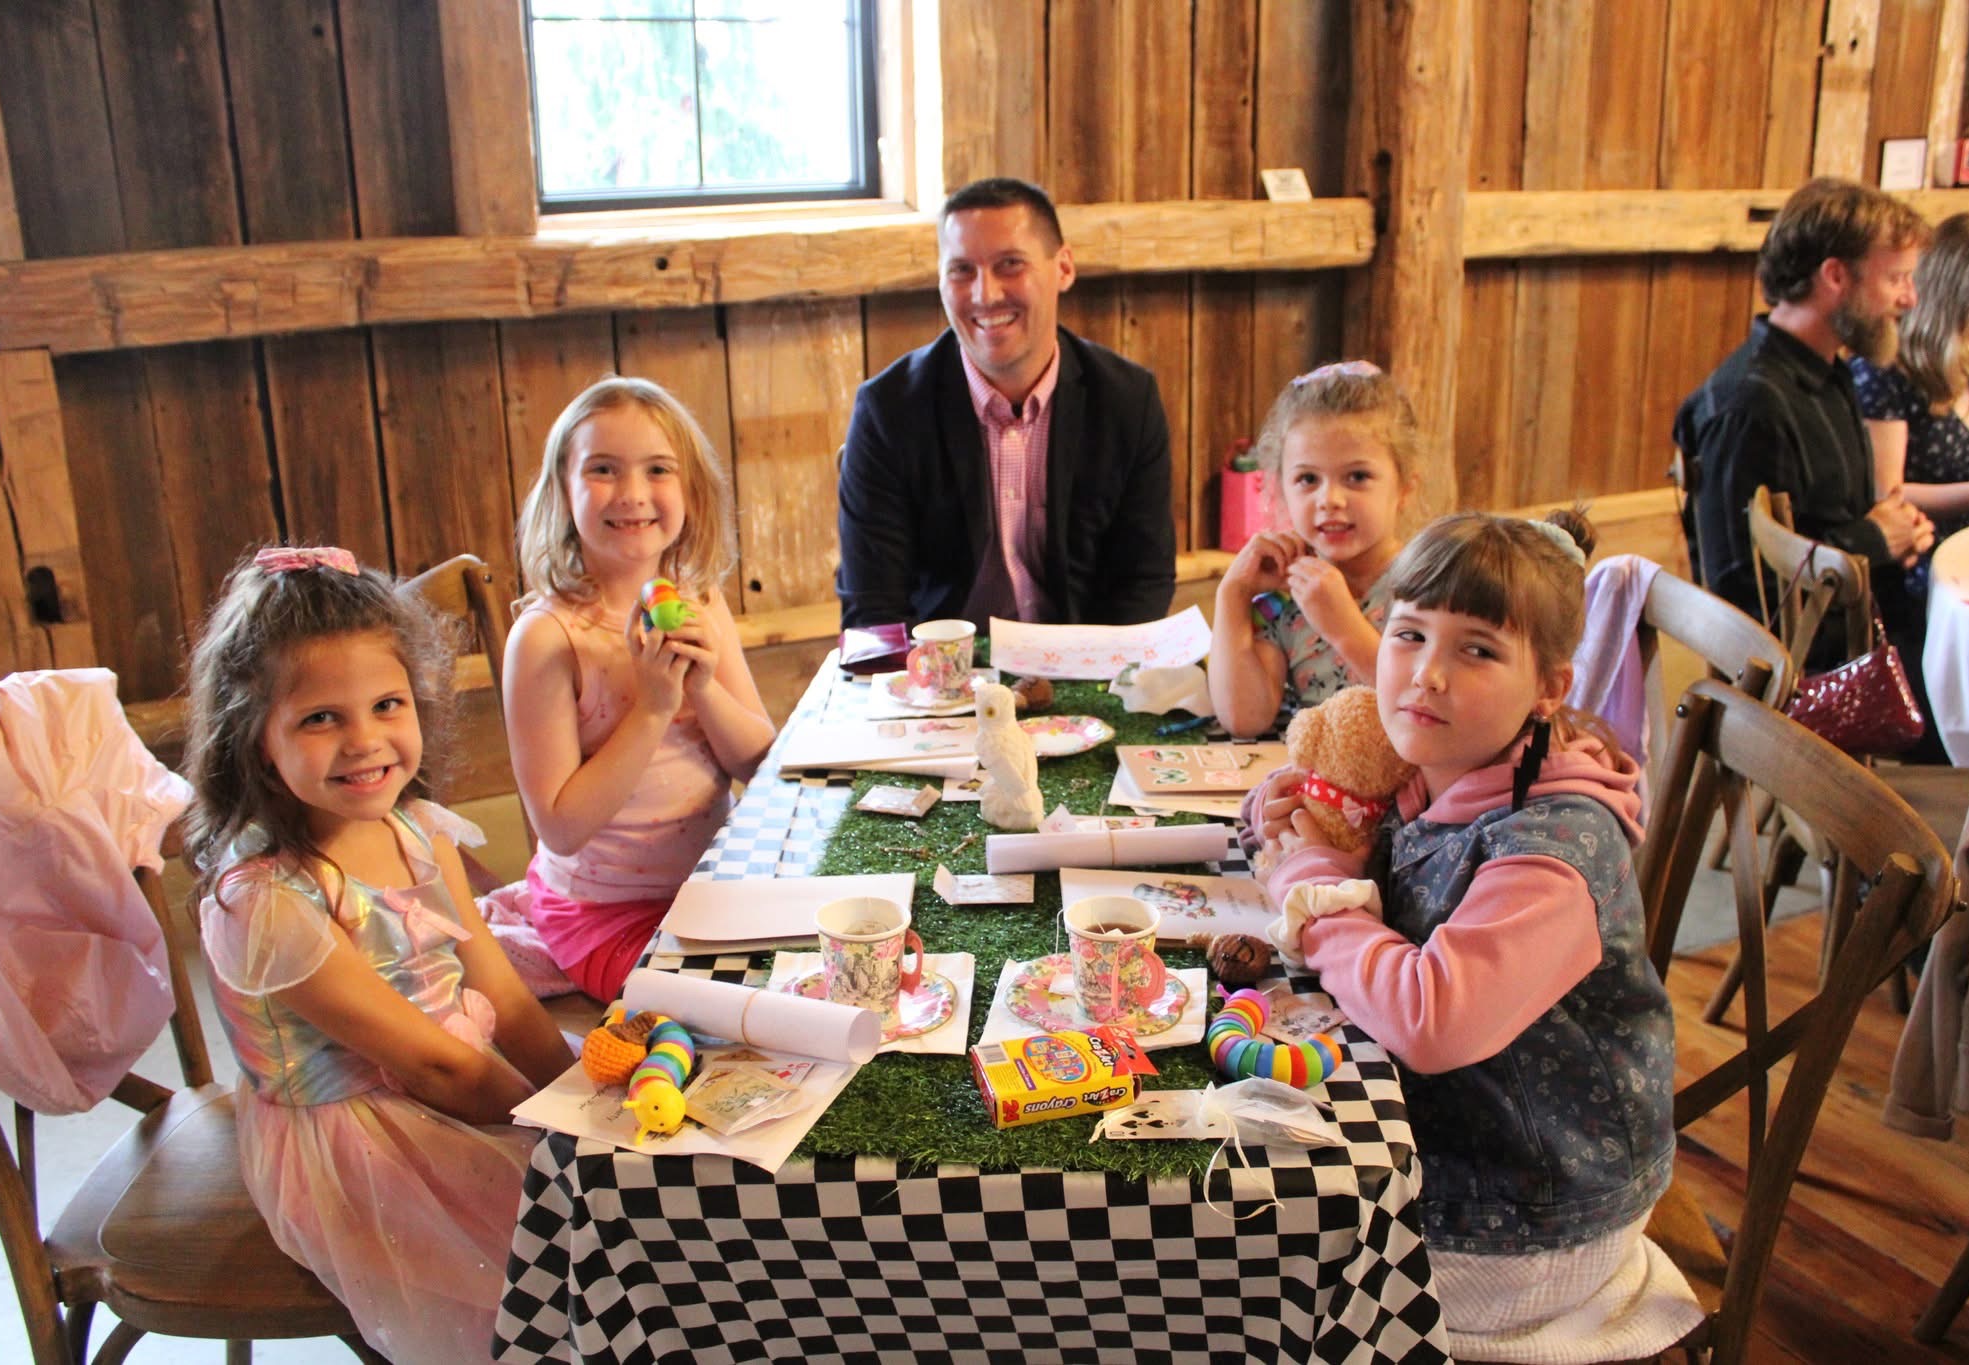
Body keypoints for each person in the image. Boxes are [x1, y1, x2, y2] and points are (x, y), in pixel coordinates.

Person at [1244, 511, 1702, 1363]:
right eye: (1409, 633)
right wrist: (1286, 817)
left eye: (1478, 650)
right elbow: (1360, 843)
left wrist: (1315, 889)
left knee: (1242, 1261)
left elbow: (1431, 1018)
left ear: (1549, 687)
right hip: (1456, 1143)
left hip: (1527, 1215)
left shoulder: (1557, 847)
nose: (1427, 674)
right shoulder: (1448, 759)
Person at [184, 546, 577, 1364]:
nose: (364, 741)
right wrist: (564, 1138)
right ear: (256, 740)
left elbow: (502, 993)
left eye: (386, 704)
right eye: (320, 718)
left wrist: (579, 1094)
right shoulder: (267, 900)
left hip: (457, 1077)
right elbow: (438, 1069)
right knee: (570, 1241)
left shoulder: (419, 830)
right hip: (355, 1137)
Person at [505, 376, 775, 1001]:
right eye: (603, 469)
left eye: (657, 469)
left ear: (691, 491)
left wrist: (703, 690)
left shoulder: (700, 600)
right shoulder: (547, 639)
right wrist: (653, 709)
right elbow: (561, 829)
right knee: (740, 1003)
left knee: (832, 954)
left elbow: (760, 766)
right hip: (603, 915)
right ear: (563, 491)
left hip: (713, 886)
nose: (631, 494)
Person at [834, 176, 1176, 628]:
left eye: (1010, 264)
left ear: (1064, 269)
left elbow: (1143, 582)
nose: (986, 294)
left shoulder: (1128, 401)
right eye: (961, 270)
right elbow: (873, 608)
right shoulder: (887, 411)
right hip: (938, 666)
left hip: (1083, 659)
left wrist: (1094, 669)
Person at [1673, 177, 1934, 671]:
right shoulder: (1749, 404)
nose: (1910, 299)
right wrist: (1874, 541)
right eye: (1896, 279)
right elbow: (1743, 594)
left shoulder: (1830, 373)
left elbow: (1832, 521)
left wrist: (1894, 535)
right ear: (1835, 276)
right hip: (1804, 680)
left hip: (1857, 641)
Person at [1208, 361, 1423, 737]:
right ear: (1280, 490)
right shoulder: (1287, 595)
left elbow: (1424, 701)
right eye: (1308, 478)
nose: (1330, 499)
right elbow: (1244, 718)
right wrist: (1233, 594)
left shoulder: (1429, 586)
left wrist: (1345, 629)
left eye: (1357, 476)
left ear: (1405, 488)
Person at [1852, 211, 1969, 584]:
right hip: (1909, 562)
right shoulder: (1887, 370)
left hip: (1966, 551)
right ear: (1950, 291)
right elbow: (1887, 495)